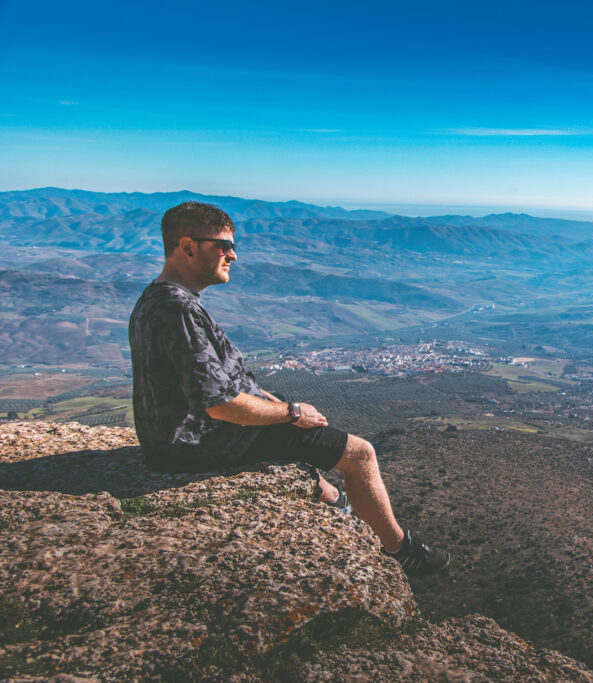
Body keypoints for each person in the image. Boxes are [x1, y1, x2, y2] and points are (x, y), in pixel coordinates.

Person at [129, 201, 449, 576]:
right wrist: (292, 412)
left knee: (306, 463)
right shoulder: (178, 309)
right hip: (199, 441)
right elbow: (220, 405)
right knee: (360, 454)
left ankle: (339, 510)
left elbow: (209, 383)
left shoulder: (157, 299)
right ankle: (400, 551)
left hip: (178, 439)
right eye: (222, 246)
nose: (232, 255)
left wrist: (268, 403)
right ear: (186, 247)